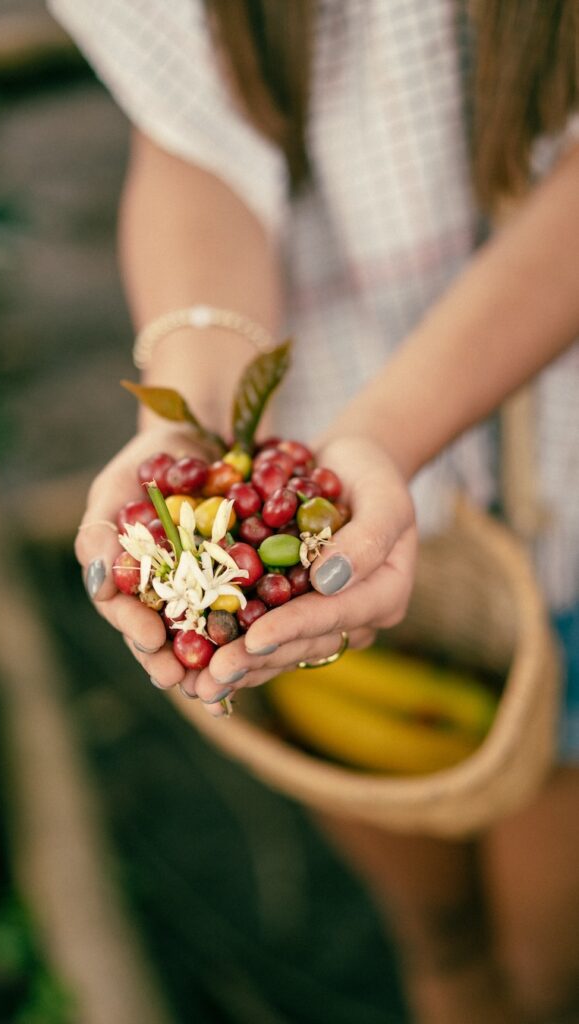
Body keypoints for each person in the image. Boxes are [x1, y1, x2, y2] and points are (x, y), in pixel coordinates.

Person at [49, 1, 579, 1020]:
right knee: (438, 937)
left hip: (564, 490)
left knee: (550, 973)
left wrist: (383, 433)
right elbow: (190, 129)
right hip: (343, 506)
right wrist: (191, 401)